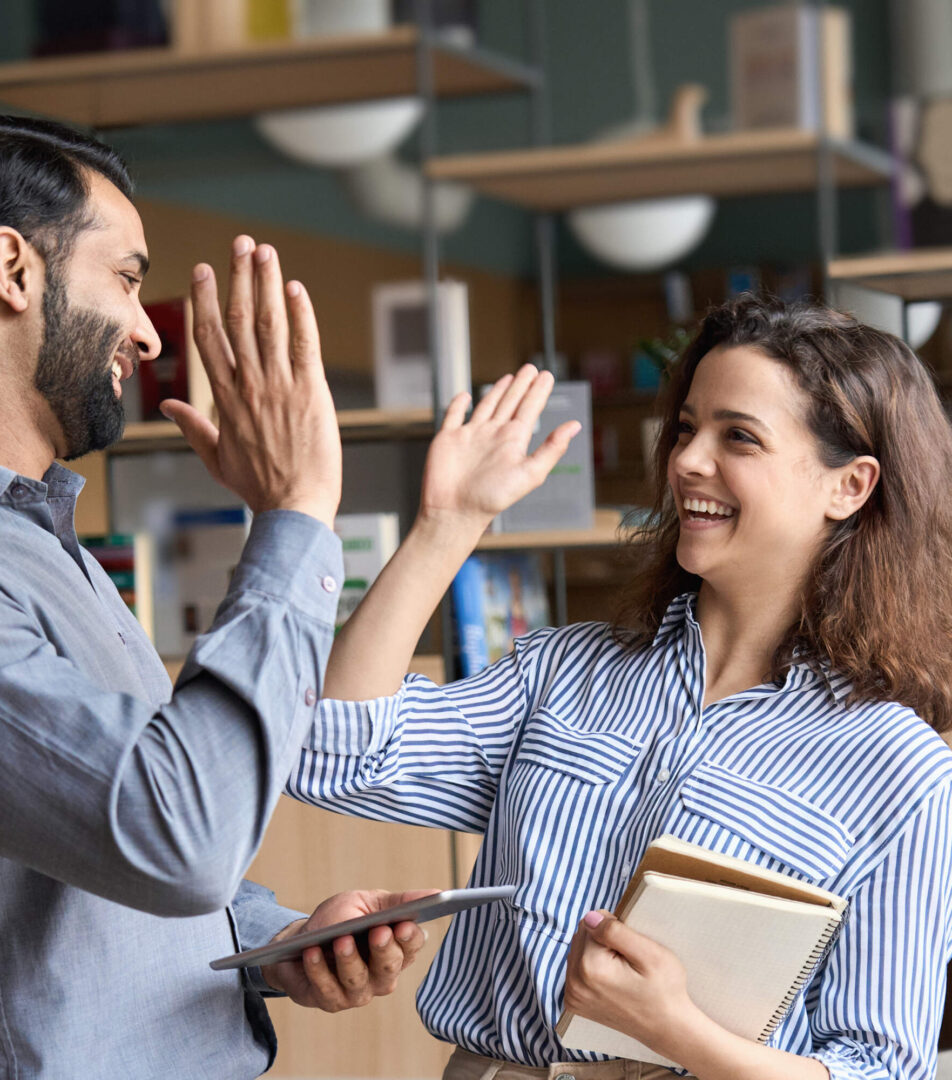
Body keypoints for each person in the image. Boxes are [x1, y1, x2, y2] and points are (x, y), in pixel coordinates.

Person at [286, 297, 952, 1080]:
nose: (688, 460)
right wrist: (446, 524)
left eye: (738, 435)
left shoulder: (896, 766)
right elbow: (331, 754)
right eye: (686, 427)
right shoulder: (560, 672)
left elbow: (880, 1068)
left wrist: (677, 1031)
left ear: (851, 486)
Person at [0, 113, 429, 1079]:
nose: (149, 334)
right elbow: (179, 837)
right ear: (13, 269)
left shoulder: (45, 542)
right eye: (125, 277)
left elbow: (110, 827)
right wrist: (295, 512)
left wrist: (274, 937)